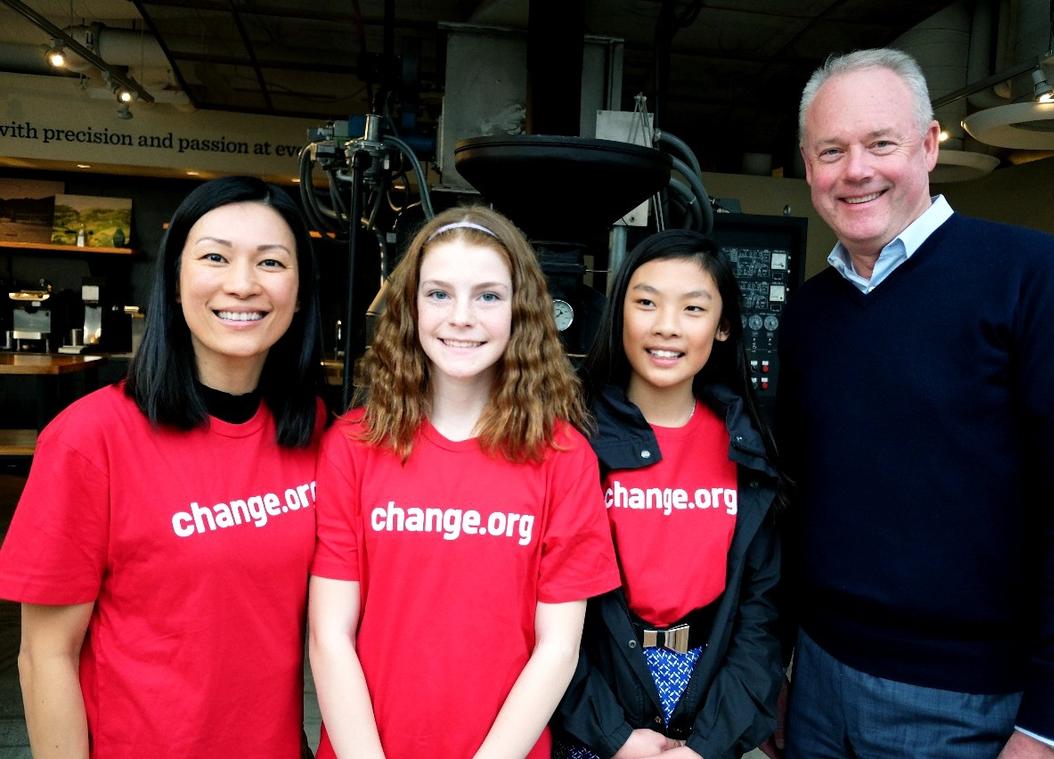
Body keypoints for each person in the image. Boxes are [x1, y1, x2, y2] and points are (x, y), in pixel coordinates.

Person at [777, 47, 1054, 758]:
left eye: (881, 143)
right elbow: (800, 505)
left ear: (930, 143)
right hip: (817, 683)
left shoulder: (1037, 281)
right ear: (810, 166)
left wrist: (1052, 729)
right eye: (831, 150)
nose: (857, 170)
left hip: (971, 708)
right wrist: (784, 673)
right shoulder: (808, 314)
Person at [0, 175, 328, 757]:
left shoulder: (315, 431)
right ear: (176, 282)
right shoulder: (89, 439)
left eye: (272, 262)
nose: (243, 283)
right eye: (214, 257)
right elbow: (44, 656)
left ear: (299, 291)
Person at [307, 205, 620, 759]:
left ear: (521, 311)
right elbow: (330, 636)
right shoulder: (353, 444)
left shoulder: (563, 456)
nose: (461, 317)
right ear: (410, 306)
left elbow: (558, 648)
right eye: (439, 294)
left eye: (488, 296)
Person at [553, 229, 785, 759]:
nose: (666, 327)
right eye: (646, 303)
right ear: (621, 314)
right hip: (594, 710)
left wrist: (705, 745)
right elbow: (537, 612)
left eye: (693, 309)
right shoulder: (571, 441)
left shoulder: (746, 448)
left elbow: (761, 617)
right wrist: (614, 736)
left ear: (723, 325)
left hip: (709, 709)